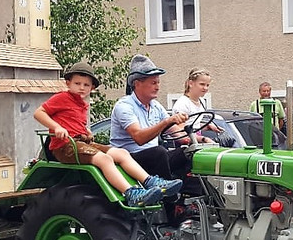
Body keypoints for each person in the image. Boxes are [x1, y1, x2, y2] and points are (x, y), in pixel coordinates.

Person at [34, 62, 173, 207]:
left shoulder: (82, 104)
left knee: (122, 153)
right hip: (65, 146)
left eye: (86, 85)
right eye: (77, 83)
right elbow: (39, 113)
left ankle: (150, 182)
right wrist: (56, 127)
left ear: (92, 88)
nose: (81, 87)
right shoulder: (62, 97)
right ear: (68, 83)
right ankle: (130, 193)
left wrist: (85, 131)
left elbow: (71, 120)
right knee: (104, 159)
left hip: (81, 143)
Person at [109, 54, 187, 197]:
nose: (157, 87)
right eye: (153, 83)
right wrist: (166, 122)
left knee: (188, 153)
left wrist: (201, 138)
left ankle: (192, 199)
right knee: (159, 152)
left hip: (153, 157)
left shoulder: (156, 106)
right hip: (129, 158)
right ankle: (170, 203)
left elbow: (177, 133)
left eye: (158, 82)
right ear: (137, 83)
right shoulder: (124, 106)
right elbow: (139, 137)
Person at [171, 68, 222, 144]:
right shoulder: (183, 104)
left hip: (197, 142)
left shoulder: (202, 101)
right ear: (190, 83)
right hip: (186, 146)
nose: (205, 88)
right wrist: (204, 139)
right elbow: (181, 133)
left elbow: (194, 125)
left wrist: (208, 127)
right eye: (202, 84)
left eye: (207, 85)